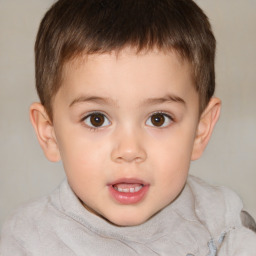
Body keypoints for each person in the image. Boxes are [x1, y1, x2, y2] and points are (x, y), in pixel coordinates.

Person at [1, 0, 256, 255]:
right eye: (96, 119)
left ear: (201, 130)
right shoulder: (25, 242)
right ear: (50, 133)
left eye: (158, 119)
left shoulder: (223, 227)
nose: (129, 150)